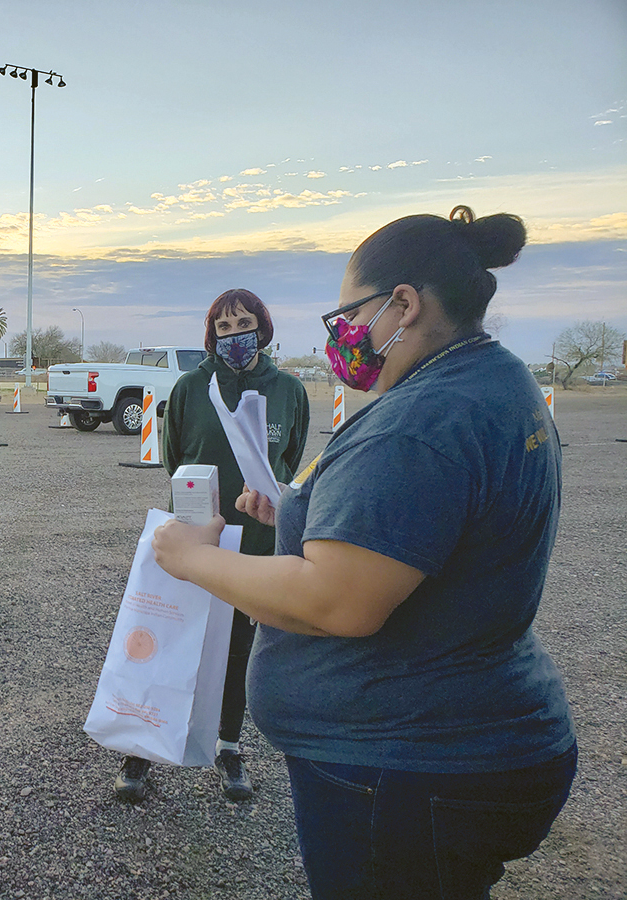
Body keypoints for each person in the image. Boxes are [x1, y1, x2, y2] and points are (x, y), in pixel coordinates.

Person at [152, 206, 576, 899]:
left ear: (403, 305)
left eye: (350, 313)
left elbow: (337, 601)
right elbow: (413, 526)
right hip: (462, 743)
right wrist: (297, 509)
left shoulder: (420, 420)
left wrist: (189, 556)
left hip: (408, 767)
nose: (344, 335)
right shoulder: (491, 381)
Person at [114, 289, 309, 803]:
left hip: (258, 543)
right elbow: (175, 458)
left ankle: (228, 744)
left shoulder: (289, 390)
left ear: (262, 328)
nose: (235, 334)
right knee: (171, 639)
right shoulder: (188, 389)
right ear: (211, 334)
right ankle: (144, 744)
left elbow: (288, 459)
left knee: (239, 648)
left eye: (244, 323)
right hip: (195, 537)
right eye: (224, 328)